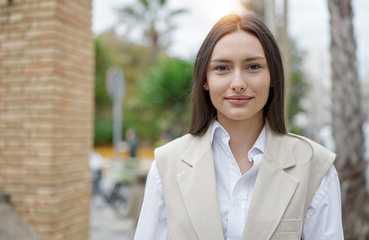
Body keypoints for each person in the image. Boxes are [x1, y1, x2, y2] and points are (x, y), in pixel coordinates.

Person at [134, 14, 344, 239]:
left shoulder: (314, 166)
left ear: (273, 76)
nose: (238, 84)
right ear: (204, 79)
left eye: (253, 66)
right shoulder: (167, 166)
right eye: (222, 68)